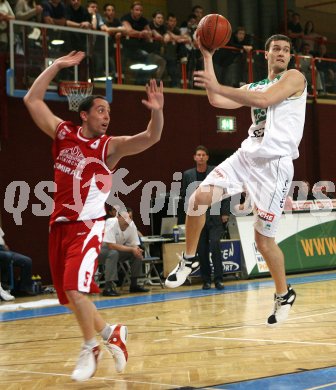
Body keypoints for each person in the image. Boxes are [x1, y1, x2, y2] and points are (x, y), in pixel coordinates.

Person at [23, 51, 164, 381]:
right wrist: (56, 66)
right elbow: (32, 99)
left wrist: (157, 114)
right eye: (101, 110)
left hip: (87, 226)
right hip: (58, 226)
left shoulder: (108, 147)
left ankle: (91, 348)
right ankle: (111, 333)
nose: (106, 116)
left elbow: (150, 137)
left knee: (76, 291)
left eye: (109, 112)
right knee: (70, 300)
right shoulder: (62, 134)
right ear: (83, 114)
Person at [166, 34, 307, 328]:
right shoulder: (254, 85)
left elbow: (266, 100)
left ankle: (284, 294)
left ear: (290, 57)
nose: (280, 53)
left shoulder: (295, 77)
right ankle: (189, 258)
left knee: (263, 241)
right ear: (265, 54)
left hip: (274, 166)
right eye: (275, 49)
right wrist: (207, 55)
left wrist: (219, 85)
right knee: (197, 199)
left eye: (285, 50)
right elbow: (217, 99)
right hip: (246, 157)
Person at [179, 146, 225, 290]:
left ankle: (219, 279)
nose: (200, 157)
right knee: (202, 249)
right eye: (198, 155)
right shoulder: (188, 175)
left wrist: (225, 212)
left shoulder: (215, 171)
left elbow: (224, 191)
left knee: (215, 245)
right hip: (197, 216)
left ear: (207, 157)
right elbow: (184, 195)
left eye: (203, 155)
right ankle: (206, 280)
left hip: (214, 215)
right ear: (194, 157)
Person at [99, 209, 149, 296]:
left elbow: (134, 244)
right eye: (125, 217)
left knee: (136, 253)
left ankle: (134, 285)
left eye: (130, 217)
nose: (128, 220)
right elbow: (111, 246)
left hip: (117, 251)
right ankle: (108, 288)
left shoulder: (131, 224)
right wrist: (132, 249)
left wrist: (136, 249)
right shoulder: (111, 222)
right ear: (118, 217)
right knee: (113, 253)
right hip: (99, 252)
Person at [0, 225, 34, 296]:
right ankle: (4, 283)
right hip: (4, 254)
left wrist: (4, 245)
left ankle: (24, 289)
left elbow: (1, 238)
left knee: (27, 261)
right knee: (7, 256)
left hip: (2, 249)